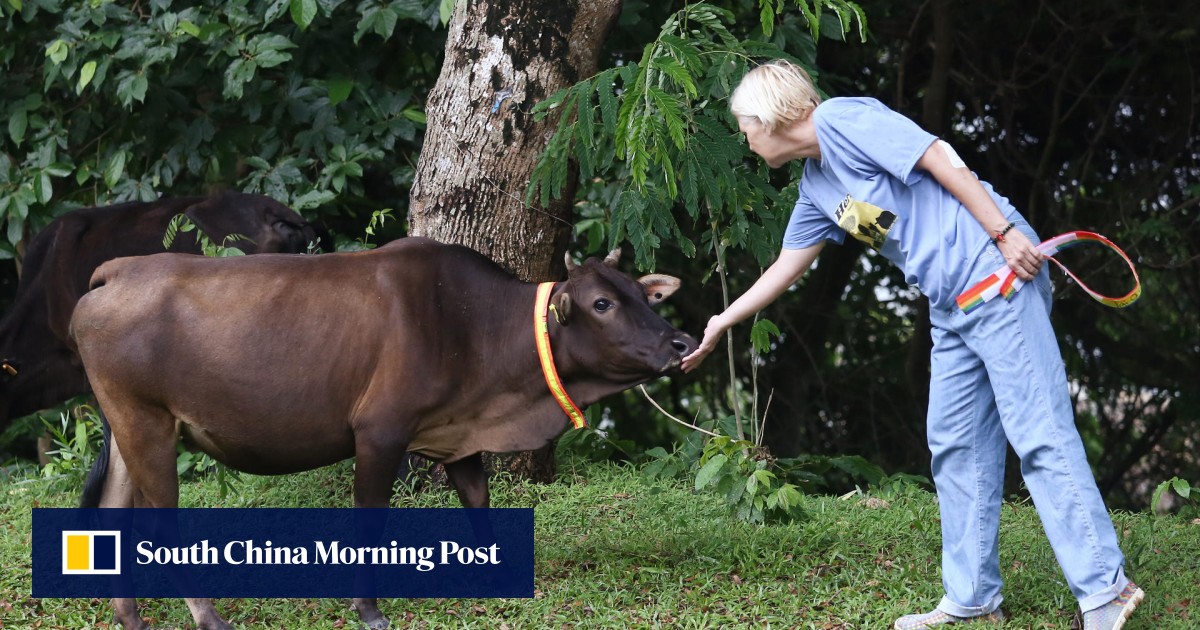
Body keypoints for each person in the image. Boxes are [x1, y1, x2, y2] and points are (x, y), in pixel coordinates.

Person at [680, 59, 1144, 630]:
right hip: (951, 309)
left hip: (995, 275)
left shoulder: (843, 121)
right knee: (955, 445)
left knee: (1039, 433)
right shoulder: (816, 185)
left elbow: (940, 158)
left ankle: (1106, 590)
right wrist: (721, 321)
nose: (745, 139)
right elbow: (786, 265)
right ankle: (973, 600)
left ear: (770, 116)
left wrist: (1002, 233)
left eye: (745, 125)